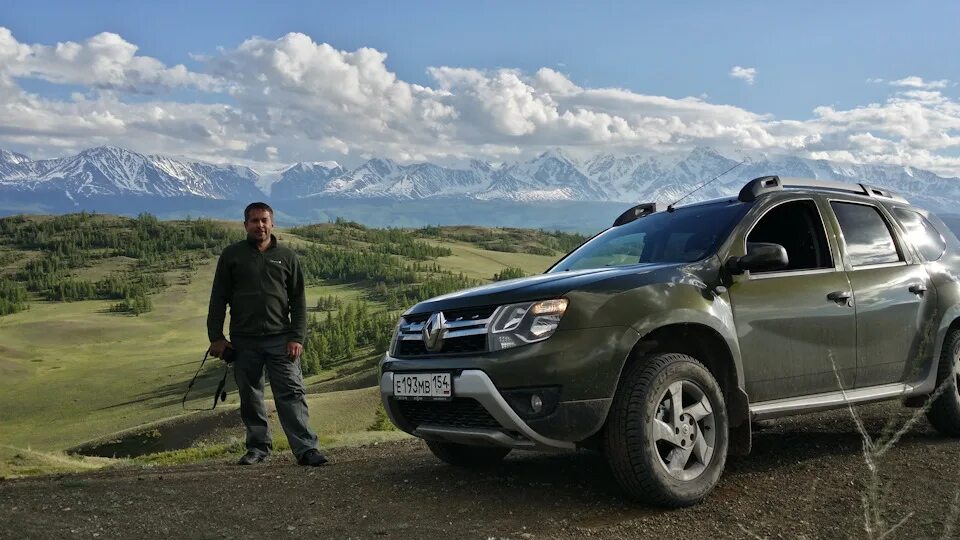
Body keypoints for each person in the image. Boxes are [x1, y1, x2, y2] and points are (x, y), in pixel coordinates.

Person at [206, 202, 327, 467]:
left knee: (292, 393)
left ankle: (306, 449)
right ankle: (258, 448)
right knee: (250, 396)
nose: (259, 225)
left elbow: (298, 300)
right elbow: (218, 298)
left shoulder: (287, 256)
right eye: (254, 221)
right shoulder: (232, 256)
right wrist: (215, 337)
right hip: (244, 339)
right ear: (245, 225)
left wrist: (297, 337)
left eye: (264, 220)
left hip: (281, 339)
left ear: (272, 223)